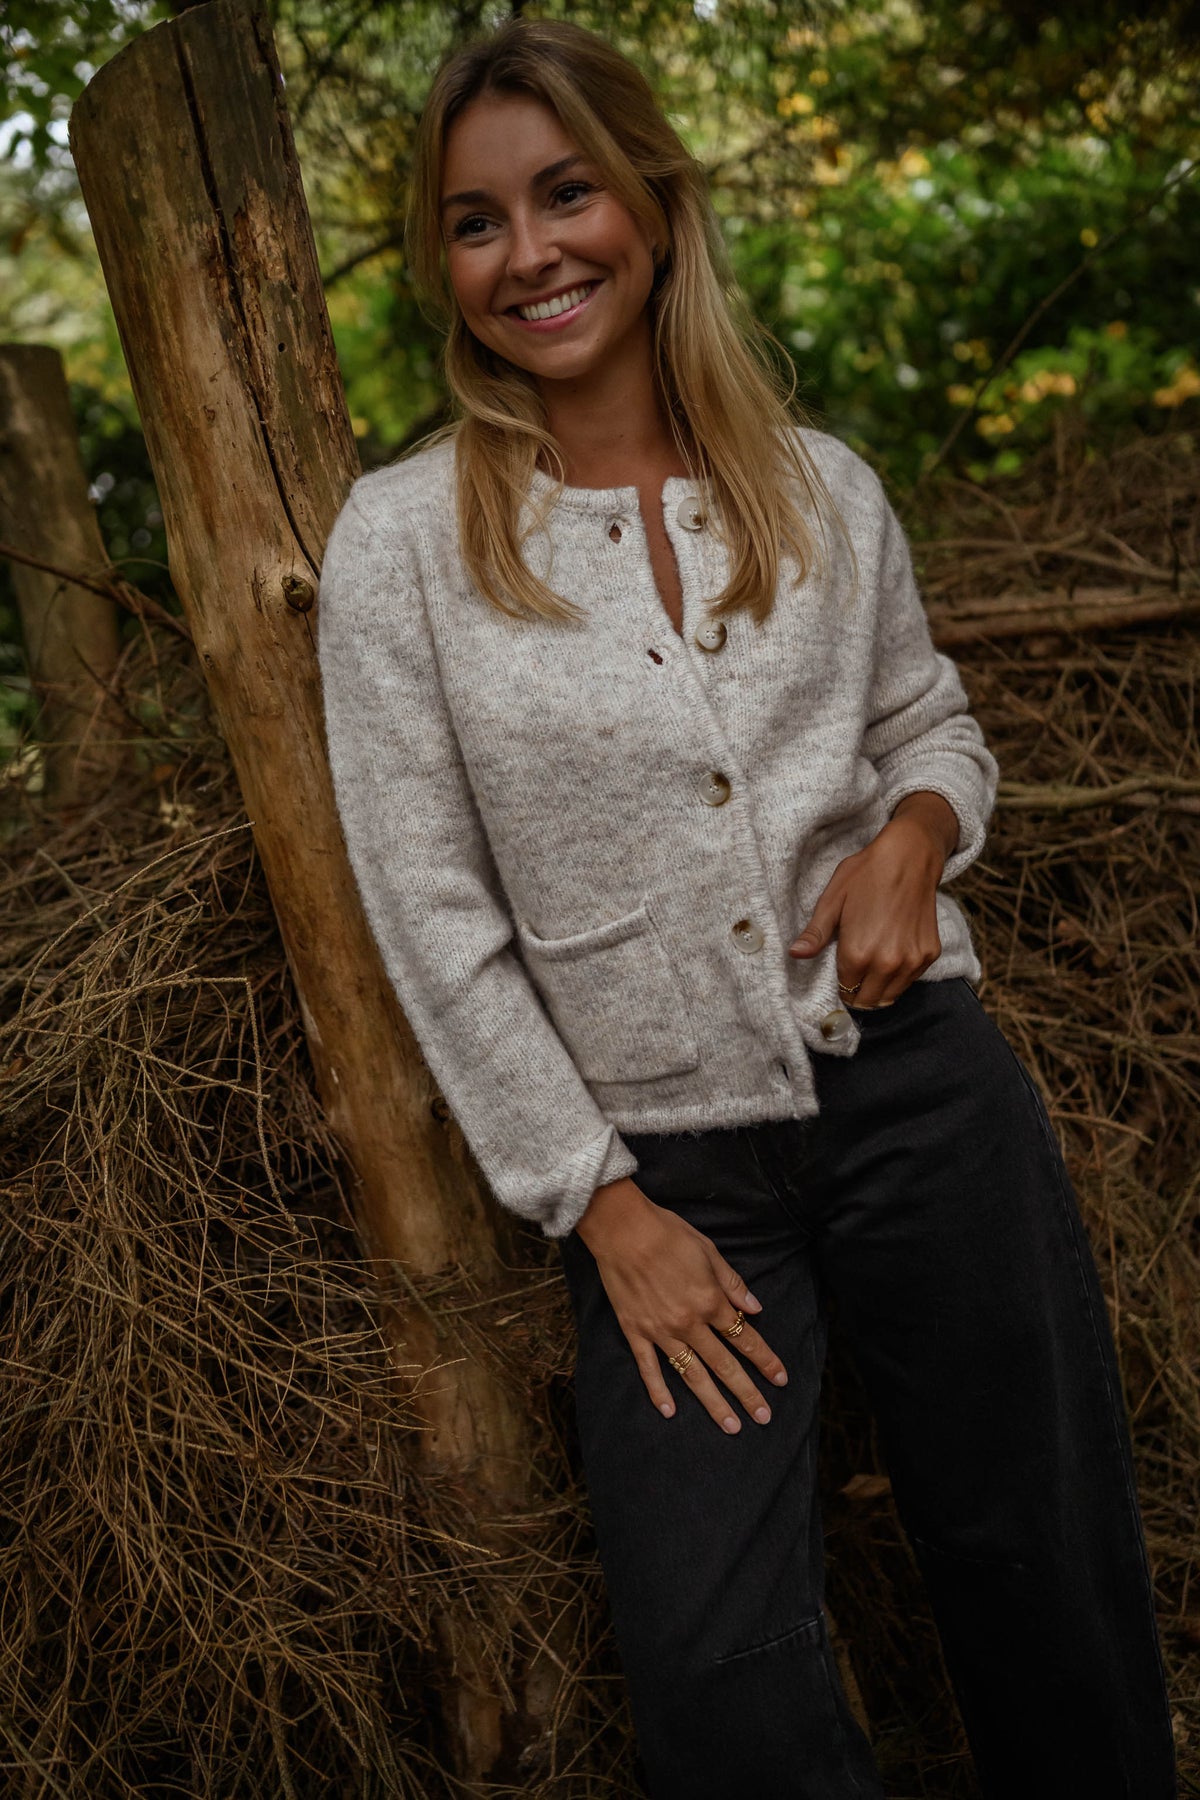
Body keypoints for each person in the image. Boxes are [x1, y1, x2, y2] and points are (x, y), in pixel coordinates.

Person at [316, 19, 1176, 1798]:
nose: (532, 251)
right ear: (442, 263)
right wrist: (598, 1203)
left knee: (1051, 1586)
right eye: (477, 222)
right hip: (672, 1183)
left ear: (654, 202)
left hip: (924, 1098)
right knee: (721, 1674)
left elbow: (928, 724)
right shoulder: (400, 546)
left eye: (567, 194)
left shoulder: (824, 488)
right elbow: (430, 912)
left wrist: (916, 839)